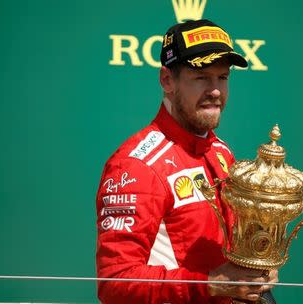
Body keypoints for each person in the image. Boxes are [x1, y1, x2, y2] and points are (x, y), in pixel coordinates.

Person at [96, 19, 278, 304]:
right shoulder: (136, 166)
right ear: (167, 80)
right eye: (201, 77)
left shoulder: (220, 151)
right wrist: (210, 285)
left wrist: (254, 270)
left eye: (223, 77)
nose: (215, 90)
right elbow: (115, 282)